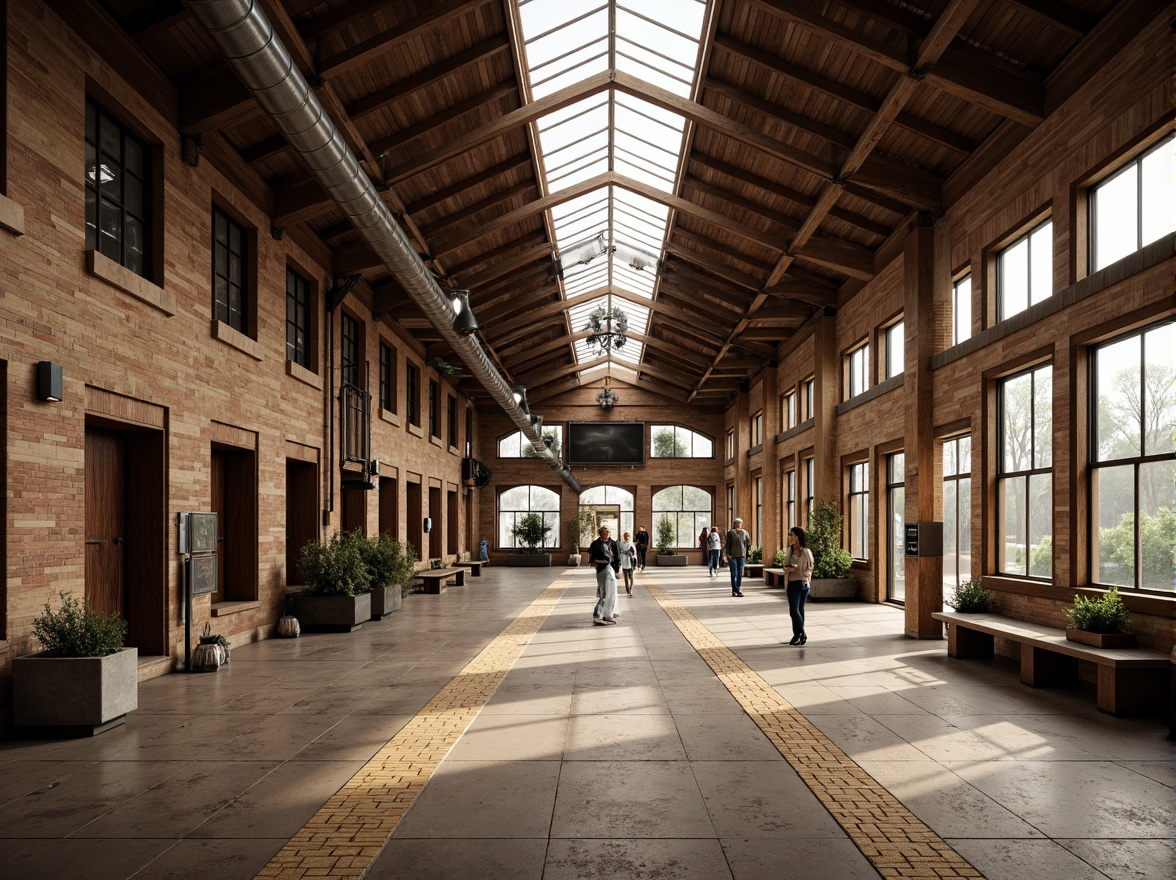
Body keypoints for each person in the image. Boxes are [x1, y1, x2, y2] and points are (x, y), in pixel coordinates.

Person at [782, 526, 814, 644]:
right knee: (794, 610)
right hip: (792, 582)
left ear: (797, 537)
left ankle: (799, 634)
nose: (790, 537)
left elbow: (809, 568)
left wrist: (794, 570)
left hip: (803, 583)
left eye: (792, 535)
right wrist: (787, 568)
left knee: (797, 609)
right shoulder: (790, 550)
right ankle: (799, 634)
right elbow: (786, 564)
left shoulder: (806, 551)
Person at [588, 526, 620, 624]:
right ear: (601, 533)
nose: (608, 533)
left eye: (609, 531)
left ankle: (608, 614)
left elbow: (617, 557)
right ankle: (598, 615)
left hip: (611, 570)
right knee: (603, 593)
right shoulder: (595, 544)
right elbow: (592, 560)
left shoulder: (613, 543)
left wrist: (617, 569)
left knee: (612, 592)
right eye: (606, 531)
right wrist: (604, 561)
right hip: (602, 570)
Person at [722, 517, 751, 597]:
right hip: (732, 556)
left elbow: (748, 545)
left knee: (740, 573)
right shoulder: (731, 532)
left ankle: (737, 589)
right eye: (737, 523)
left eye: (740, 523)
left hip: (741, 556)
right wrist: (727, 554)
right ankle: (735, 590)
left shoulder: (745, 533)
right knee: (734, 573)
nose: (739, 524)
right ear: (734, 524)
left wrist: (747, 555)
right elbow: (727, 544)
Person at [618, 530, 636, 595]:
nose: (626, 537)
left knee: (630, 576)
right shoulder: (621, 543)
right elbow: (619, 552)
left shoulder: (631, 543)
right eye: (625, 536)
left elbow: (634, 553)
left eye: (628, 536)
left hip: (630, 562)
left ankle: (631, 588)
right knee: (625, 577)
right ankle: (628, 590)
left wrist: (628, 553)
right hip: (624, 562)